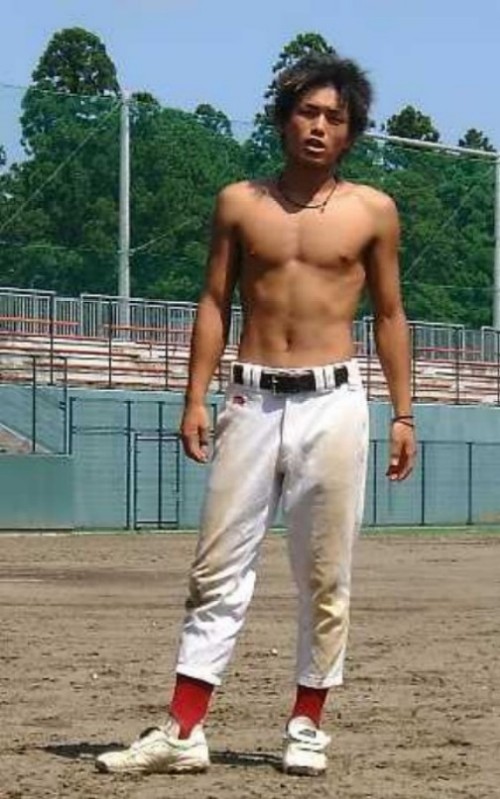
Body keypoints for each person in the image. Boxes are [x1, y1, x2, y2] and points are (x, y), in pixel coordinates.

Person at [96, 51, 416, 778]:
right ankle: (183, 730)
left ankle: (307, 725)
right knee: (216, 568)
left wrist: (404, 413)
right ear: (283, 117)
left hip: (334, 401)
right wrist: (194, 396)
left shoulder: (373, 211)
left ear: (351, 132)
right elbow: (214, 300)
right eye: (308, 111)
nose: (319, 126)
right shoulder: (239, 203)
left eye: (335, 117)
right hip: (250, 397)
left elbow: (392, 313)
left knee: (325, 573)